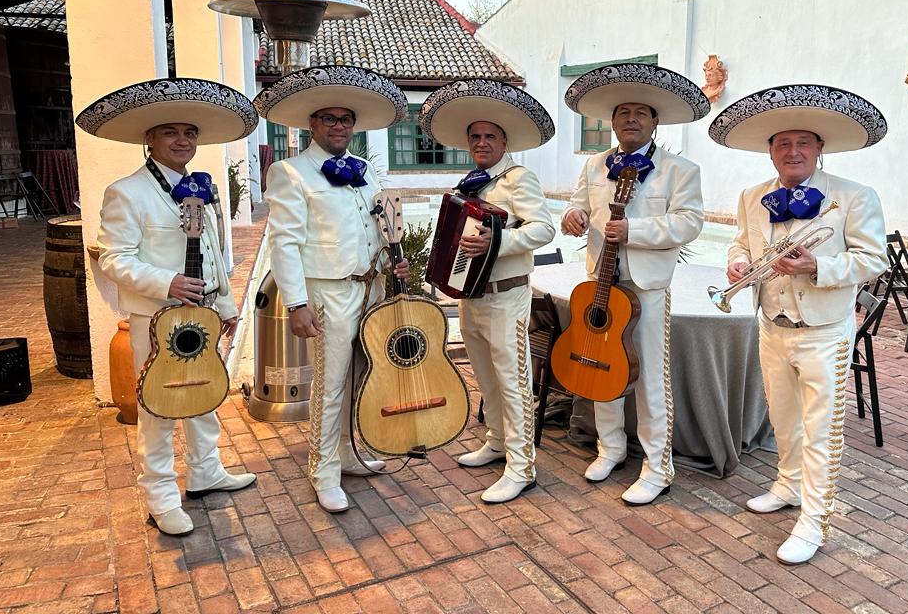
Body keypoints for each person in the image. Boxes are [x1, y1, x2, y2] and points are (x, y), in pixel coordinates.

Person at [709, 83, 889, 564]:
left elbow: (874, 261)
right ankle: (787, 486)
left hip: (824, 332)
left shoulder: (855, 196)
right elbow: (741, 245)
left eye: (802, 143)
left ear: (819, 148)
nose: (793, 152)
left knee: (821, 429)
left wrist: (817, 267)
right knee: (782, 417)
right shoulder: (752, 196)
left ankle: (814, 520)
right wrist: (737, 265)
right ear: (770, 153)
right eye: (782, 144)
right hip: (772, 323)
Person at [77, 78, 260, 536]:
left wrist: (226, 304)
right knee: (157, 405)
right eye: (171, 132)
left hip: (203, 315)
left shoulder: (203, 187)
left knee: (204, 393)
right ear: (149, 139)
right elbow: (115, 258)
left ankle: (206, 471)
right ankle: (159, 495)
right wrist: (168, 283)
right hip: (155, 320)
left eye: (190, 133)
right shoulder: (127, 192)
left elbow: (216, 253)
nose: (183, 141)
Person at [254, 65, 409, 513]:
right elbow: (284, 243)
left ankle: (346, 453)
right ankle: (322, 471)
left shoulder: (364, 170)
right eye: (329, 119)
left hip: (371, 287)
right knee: (330, 383)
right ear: (312, 124)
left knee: (362, 374)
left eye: (346, 120)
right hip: (328, 293)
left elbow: (380, 224)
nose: (339, 126)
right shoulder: (291, 172)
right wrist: (297, 304)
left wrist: (392, 257)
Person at [561, 63, 710, 505]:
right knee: (598, 367)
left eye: (639, 113)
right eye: (622, 112)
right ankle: (610, 448)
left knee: (648, 379)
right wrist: (574, 217)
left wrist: (636, 231)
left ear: (654, 121)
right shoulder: (593, 165)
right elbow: (576, 207)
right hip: (600, 281)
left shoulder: (680, 170)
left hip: (646, 287)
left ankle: (657, 466)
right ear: (612, 121)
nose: (630, 119)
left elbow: (691, 222)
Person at [419, 79, 556, 503]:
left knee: (514, 381)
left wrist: (497, 243)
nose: (481, 142)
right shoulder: (470, 184)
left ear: (503, 141)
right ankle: (497, 442)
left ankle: (522, 466)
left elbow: (544, 229)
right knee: (486, 376)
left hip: (509, 295)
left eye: (489, 136)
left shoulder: (518, 178)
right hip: (474, 296)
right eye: (475, 137)